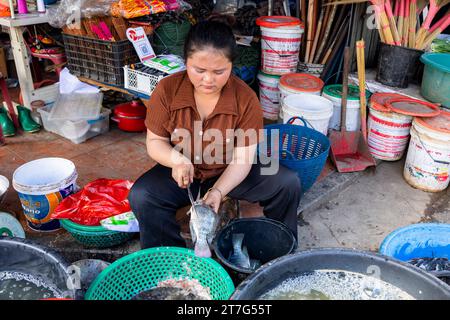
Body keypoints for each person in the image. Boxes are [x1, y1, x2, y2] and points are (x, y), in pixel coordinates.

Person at [128, 20, 301, 249]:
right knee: (142, 195)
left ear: (231, 65)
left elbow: (243, 159)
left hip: (230, 169)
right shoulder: (166, 90)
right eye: (199, 70)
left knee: (287, 183)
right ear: (186, 62)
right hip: (183, 173)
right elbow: (155, 141)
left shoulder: (246, 99)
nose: (208, 80)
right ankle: (170, 261)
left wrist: (218, 191)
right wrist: (176, 160)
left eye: (219, 72)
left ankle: (277, 249)